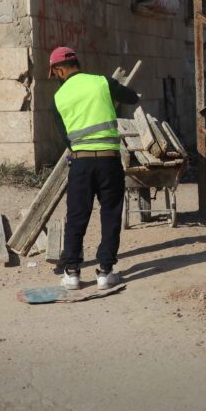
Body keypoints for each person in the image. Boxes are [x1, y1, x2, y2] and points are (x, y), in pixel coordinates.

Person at [49, 46, 139, 290]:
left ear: (58, 70)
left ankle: (72, 273)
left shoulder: (58, 98)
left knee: (77, 217)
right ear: (77, 64)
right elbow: (133, 98)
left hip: (81, 162)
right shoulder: (102, 82)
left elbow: (66, 138)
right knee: (110, 214)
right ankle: (105, 272)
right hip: (109, 161)